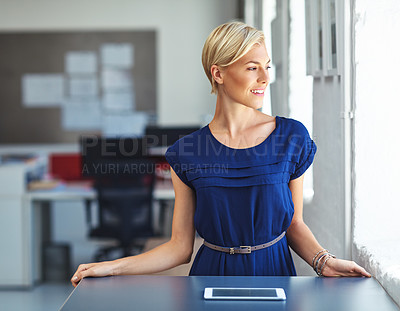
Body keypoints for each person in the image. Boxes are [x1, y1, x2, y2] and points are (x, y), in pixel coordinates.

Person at [71, 21, 370, 287]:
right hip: (210, 277)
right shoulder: (187, 153)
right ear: (218, 73)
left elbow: (294, 224)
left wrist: (324, 261)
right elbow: (179, 247)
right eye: (252, 67)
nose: (265, 78)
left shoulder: (291, 137)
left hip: (274, 274)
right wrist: (113, 266)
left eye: (267, 66)